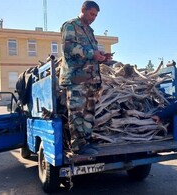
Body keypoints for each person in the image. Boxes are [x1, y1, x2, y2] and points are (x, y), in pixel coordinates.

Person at [59, 1, 111, 155]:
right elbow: (68, 48)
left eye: (95, 15)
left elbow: (92, 53)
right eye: (91, 14)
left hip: (91, 79)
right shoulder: (70, 25)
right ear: (83, 10)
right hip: (76, 79)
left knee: (89, 112)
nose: (94, 18)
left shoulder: (89, 31)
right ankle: (78, 146)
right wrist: (91, 53)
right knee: (77, 112)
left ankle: (86, 143)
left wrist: (102, 57)